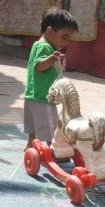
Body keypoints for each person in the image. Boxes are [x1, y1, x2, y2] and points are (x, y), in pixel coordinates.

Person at [24, 8, 78, 149]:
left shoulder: (39, 44)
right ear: (49, 31)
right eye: (64, 37)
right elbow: (39, 66)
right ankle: (55, 150)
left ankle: (30, 145)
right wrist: (52, 57)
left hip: (32, 95)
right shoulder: (45, 47)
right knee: (52, 126)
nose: (65, 42)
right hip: (43, 97)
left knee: (33, 125)